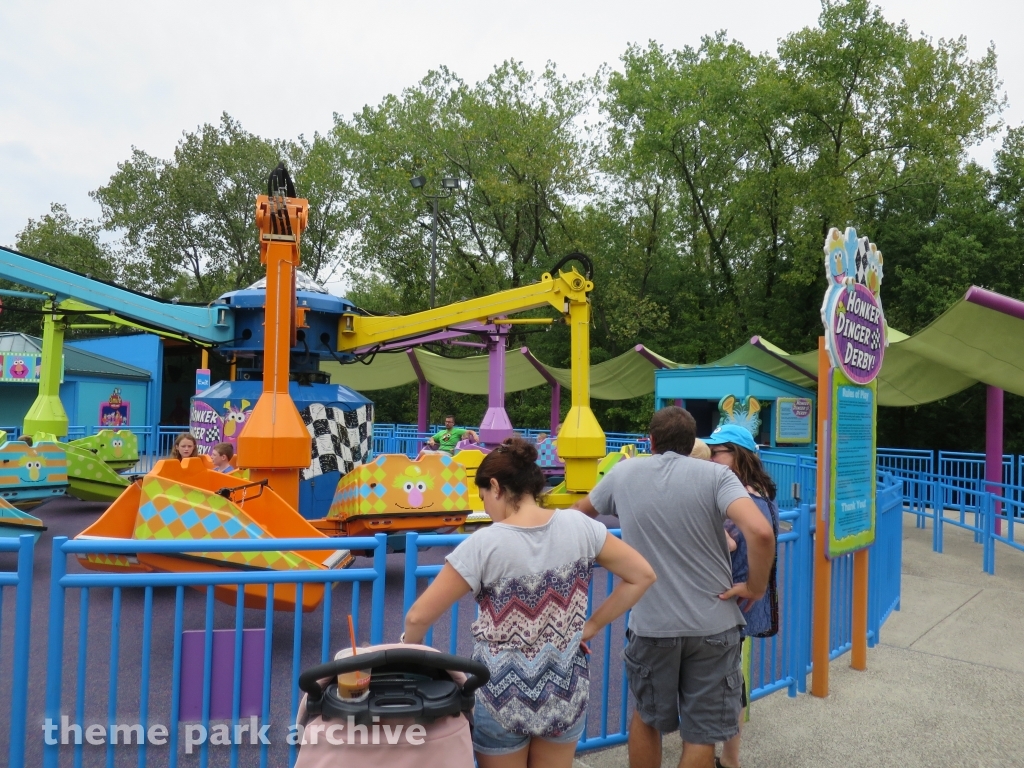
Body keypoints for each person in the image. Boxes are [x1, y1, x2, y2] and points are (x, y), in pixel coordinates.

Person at [402, 436, 656, 768]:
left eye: (483, 497)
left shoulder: (483, 544)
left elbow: (418, 617)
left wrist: (411, 652)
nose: (486, 507)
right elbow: (642, 575)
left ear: (495, 486)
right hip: (565, 687)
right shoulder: (580, 526)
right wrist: (590, 626)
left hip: (500, 694)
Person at [573, 407, 775, 768]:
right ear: (692, 442)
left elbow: (578, 516)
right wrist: (754, 587)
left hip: (652, 623)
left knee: (648, 719)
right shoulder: (716, 476)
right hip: (714, 623)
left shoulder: (624, 473)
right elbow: (760, 532)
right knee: (702, 733)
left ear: (650, 441)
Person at [705, 425, 780, 768]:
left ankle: (726, 758)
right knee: (730, 679)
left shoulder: (742, 499)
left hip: (728, 603)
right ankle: (729, 757)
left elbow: (733, 543)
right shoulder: (761, 494)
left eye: (717, 451)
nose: (710, 457)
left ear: (737, 454)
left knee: (720, 684)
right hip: (741, 604)